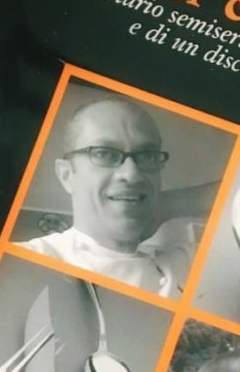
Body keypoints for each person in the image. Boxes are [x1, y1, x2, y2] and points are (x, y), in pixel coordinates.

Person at [19, 94, 213, 298]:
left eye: (147, 155)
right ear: (66, 175)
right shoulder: (27, 262)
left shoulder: (190, 265)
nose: (132, 175)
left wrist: (165, 205)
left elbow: (235, 193)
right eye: (104, 153)